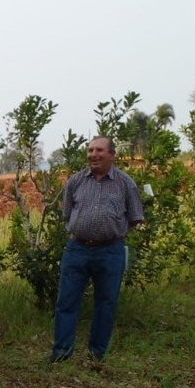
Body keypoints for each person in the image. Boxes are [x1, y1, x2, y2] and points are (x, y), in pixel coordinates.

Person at [49, 136, 144, 363]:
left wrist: (111, 233)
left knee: (106, 303)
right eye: (90, 150)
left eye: (99, 150)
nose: (94, 154)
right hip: (76, 249)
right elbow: (67, 214)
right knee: (66, 302)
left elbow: (134, 218)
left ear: (112, 154)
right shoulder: (75, 181)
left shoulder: (125, 184)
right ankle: (61, 352)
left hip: (110, 252)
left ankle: (96, 354)